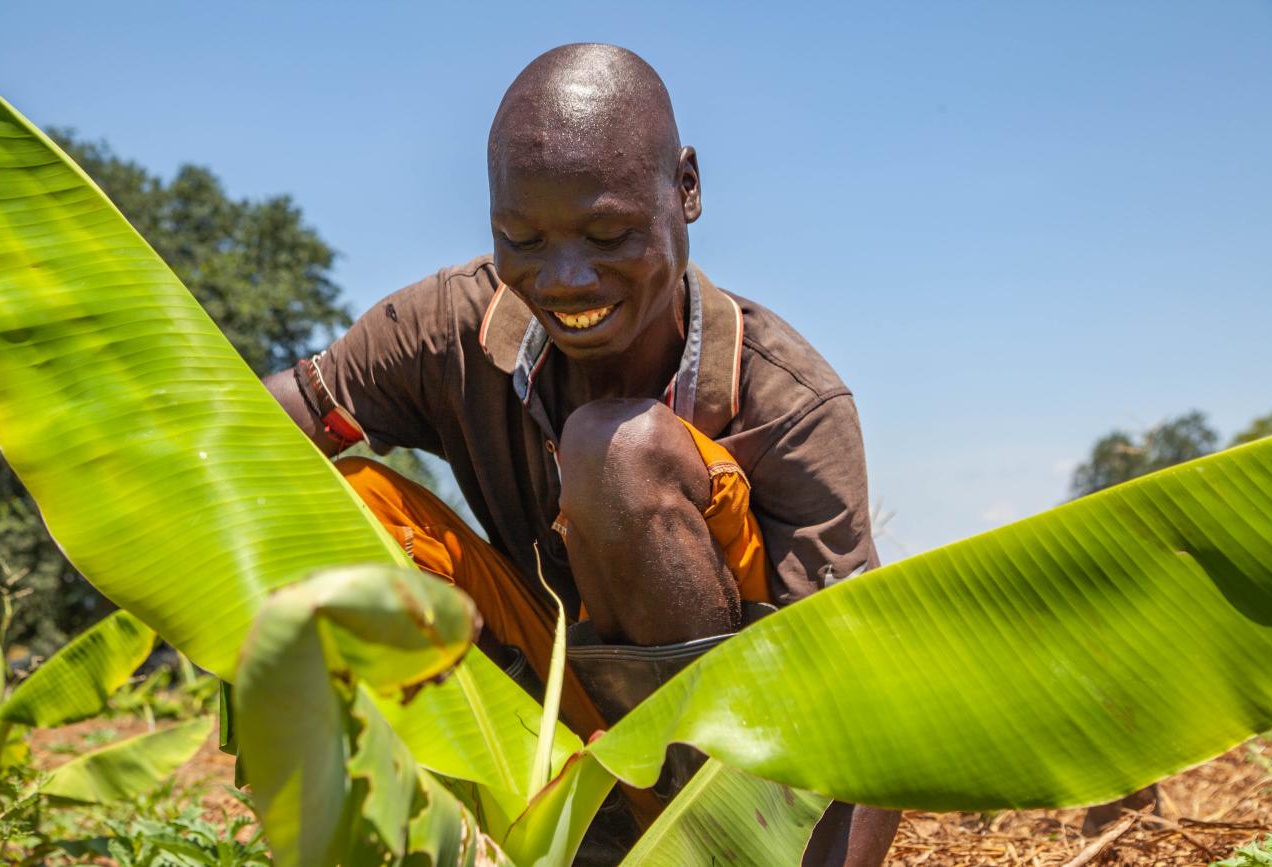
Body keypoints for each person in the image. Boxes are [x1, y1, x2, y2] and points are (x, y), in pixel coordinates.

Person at [264, 42, 900, 866]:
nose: (564, 278)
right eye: (521, 238)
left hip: (737, 795)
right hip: (553, 738)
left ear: (688, 189)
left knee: (616, 452)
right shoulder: (442, 332)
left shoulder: (790, 403)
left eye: (608, 233)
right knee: (341, 501)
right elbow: (255, 435)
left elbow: (865, 694)